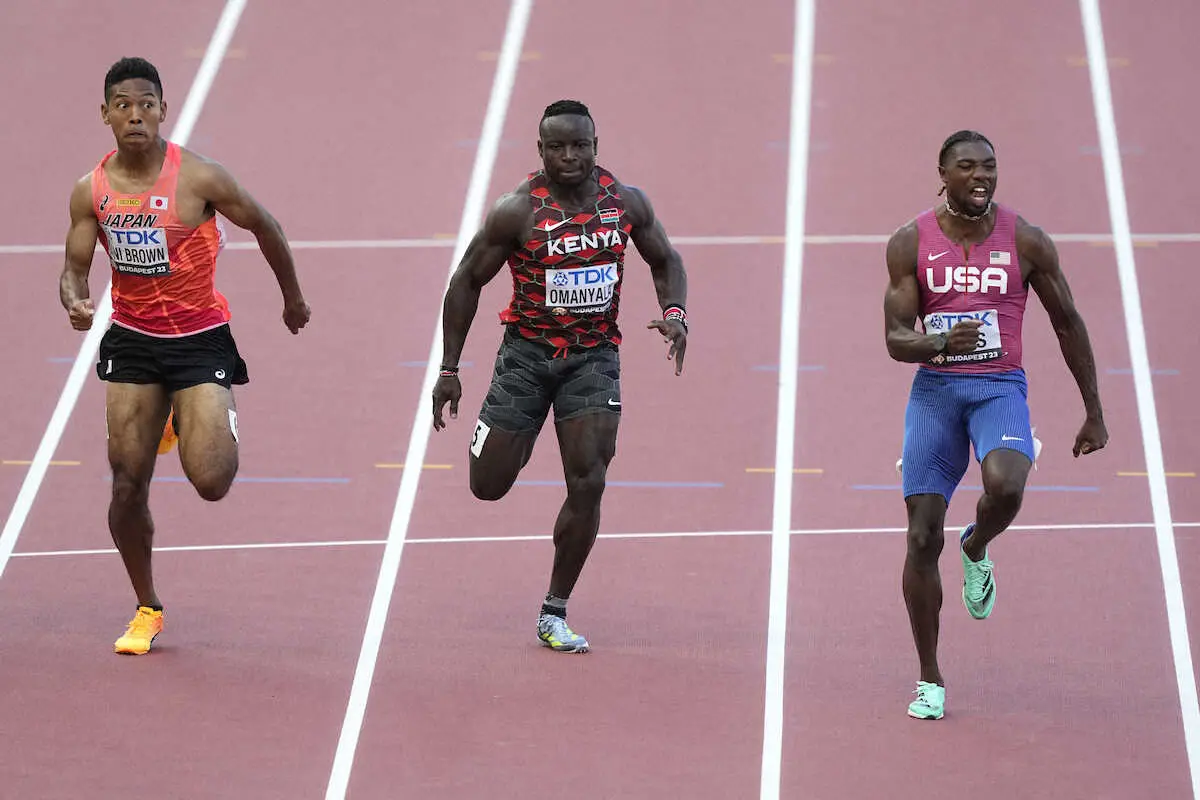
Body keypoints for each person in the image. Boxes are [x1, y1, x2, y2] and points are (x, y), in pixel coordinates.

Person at [59, 57, 311, 654]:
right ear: (105, 114)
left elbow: (267, 226)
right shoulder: (91, 191)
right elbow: (73, 268)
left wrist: (293, 299)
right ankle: (147, 607)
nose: (135, 115)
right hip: (133, 341)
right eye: (123, 105)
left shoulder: (198, 178)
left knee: (212, 480)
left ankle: (182, 412)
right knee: (127, 485)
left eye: (146, 104)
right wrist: (74, 299)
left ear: (163, 110)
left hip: (199, 338)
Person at [431, 99, 689, 653]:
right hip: (526, 357)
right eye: (557, 147)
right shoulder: (517, 211)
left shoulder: (625, 203)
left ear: (596, 146)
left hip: (594, 358)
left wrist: (675, 313)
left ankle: (554, 610)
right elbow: (465, 282)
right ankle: (514, 434)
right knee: (488, 485)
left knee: (589, 480)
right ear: (541, 150)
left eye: (580, 145)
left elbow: (665, 259)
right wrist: (449, 369)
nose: (569, 156)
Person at [883, 130, 1107, 718]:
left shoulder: (1026, 240)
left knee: (1006, 486)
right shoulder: (910, 241)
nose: (980, 176)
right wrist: (937, 342)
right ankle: (930, 678)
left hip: (999, 386)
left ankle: (976, 545)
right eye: (967, 167)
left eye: (988, 166)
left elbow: (1067, 322)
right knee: (920, 537)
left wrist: (1093, 409)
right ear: (943, 174)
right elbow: (895, 338)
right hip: (936, 393)